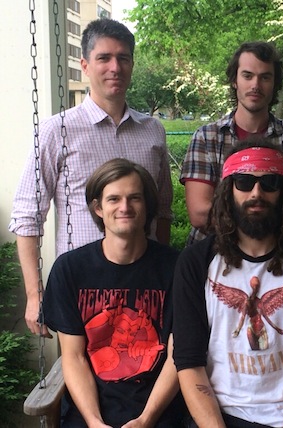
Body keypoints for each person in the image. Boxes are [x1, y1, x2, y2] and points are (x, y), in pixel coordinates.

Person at [9, 18, 173, 337]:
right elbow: (27, 216)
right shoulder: (56, 131)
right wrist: (35, 295)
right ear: (85, 65)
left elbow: (162, 211)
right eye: (104, 58)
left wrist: (163, 275)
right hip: (82, 293)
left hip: (146, 293)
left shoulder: (152, 131)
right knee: (80, 377)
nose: (115, 67)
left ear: (132, 64)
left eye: (123, 58)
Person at [173, 140, 283, 427]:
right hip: (221, 416)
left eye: (270, 183)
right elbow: (189, 363)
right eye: (244, 182)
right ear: (228, 190)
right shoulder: (196, 263)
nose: (257, 193)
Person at [42, 158, 184, 427]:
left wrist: (146, 419)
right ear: (98, 207)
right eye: (114, 199)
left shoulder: (176, 268)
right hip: (89, 411)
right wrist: (95, 422)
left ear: (147, 206)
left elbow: (179, 355)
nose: (125, 207)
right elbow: (73, 356)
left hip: (159, 411)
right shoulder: (70, 269)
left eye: (135, 198)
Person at [179, 41, 283, 244]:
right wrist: (267, 206)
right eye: (247, 76)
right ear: (234, 80)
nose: (255, 85)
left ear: (275, 84)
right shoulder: (206, 137)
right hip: (212, 251)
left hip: (276, 256)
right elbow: (199, 214)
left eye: (265, 77)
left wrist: (227, 202)